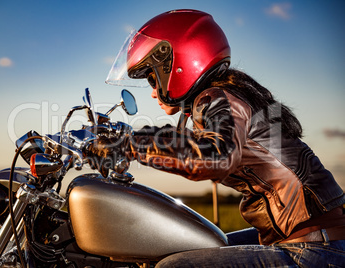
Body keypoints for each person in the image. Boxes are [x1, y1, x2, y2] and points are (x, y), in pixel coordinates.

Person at [102, 9, 345, 267]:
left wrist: (129, 143)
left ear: (178, 63)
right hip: (311, 239)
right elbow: (194, 146)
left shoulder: (219, 98)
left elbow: (216, 155)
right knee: (187, 245)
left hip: (314, 249)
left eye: (153, 79)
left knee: (172, 266)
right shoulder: (225, 98)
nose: (153, 93)